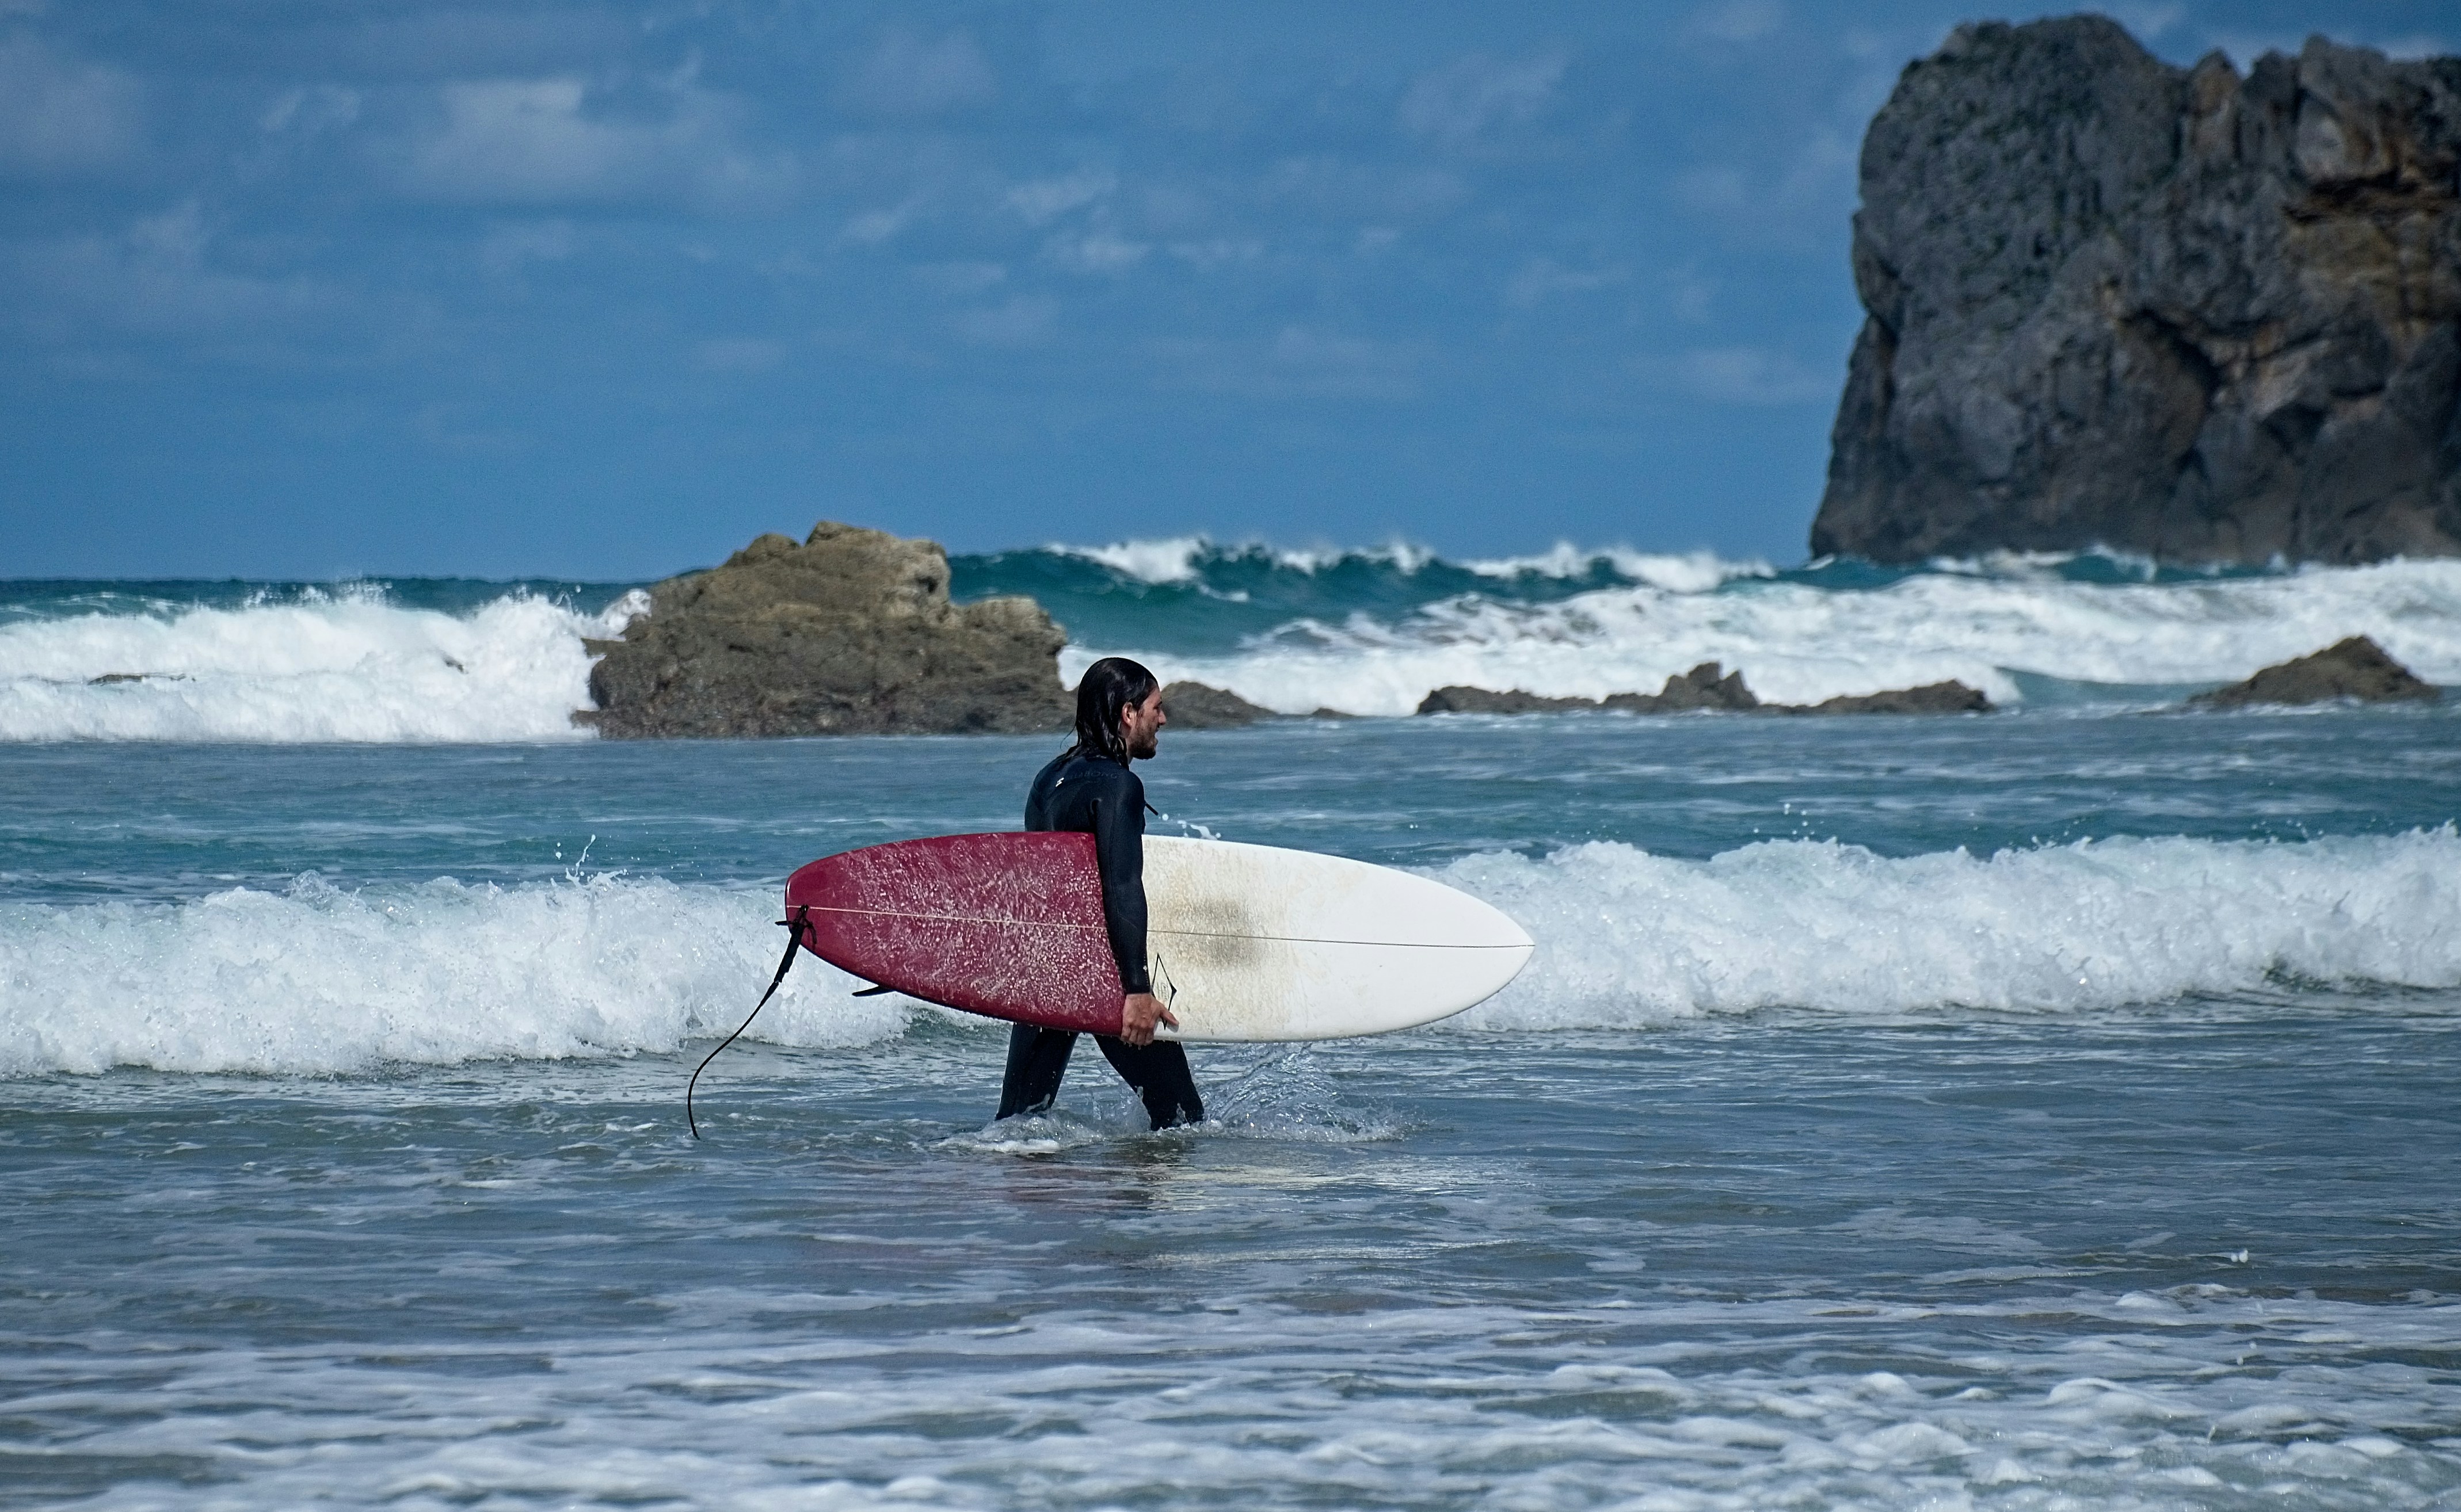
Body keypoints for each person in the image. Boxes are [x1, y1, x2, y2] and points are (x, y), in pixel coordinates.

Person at [996, 656, 1205, 1131]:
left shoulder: (1048, 780)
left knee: (1015, 1126)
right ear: (1129, 713)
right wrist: (1136, 989)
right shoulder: (1118, 786)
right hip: (1102, 974)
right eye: (1156, 707)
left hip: (1048, 972)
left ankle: (1015, 1202)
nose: (1163, 718)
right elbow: (1120, 884)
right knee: (1182, 1120)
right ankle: (1137, 1205)